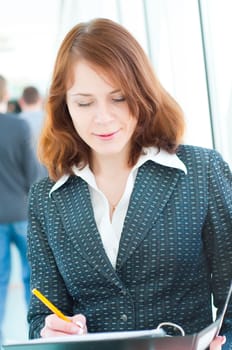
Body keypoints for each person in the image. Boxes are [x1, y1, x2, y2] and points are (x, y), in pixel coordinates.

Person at [27, 18, 232, 350]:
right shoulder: (46, 198)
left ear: (142, 93)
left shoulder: (200, 172)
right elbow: (41, 315)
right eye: (84, 102)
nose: (103, 118)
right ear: (64, 105)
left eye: (119, 98)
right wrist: (48, 332)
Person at [0, 75, 40, 345]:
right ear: (5, 94)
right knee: (35, 279)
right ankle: (36, 336)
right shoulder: (18, 126)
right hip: (21, 214)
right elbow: (32, 175)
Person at [19, 86, 47, 179]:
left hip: (24, 179)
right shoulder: (52, 121)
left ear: (21, 101)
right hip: (49, 177)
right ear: (40, 100)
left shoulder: (16, 123)